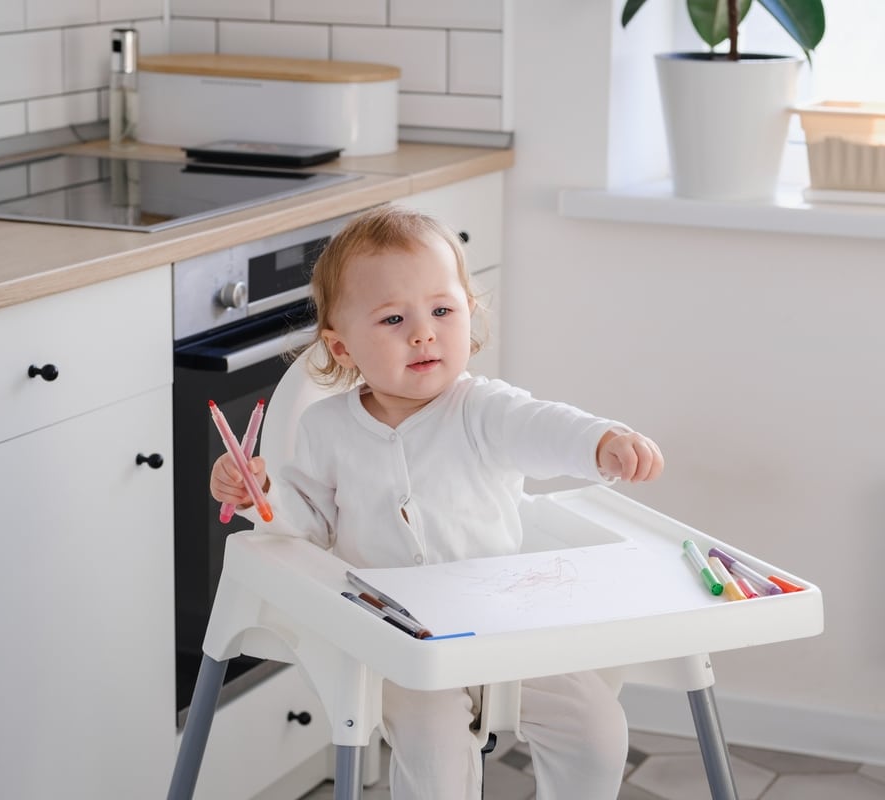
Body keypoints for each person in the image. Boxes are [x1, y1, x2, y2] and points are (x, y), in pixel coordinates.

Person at [210, 204, 664, 800]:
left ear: (469, 316)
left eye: (442, 311)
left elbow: (545, 426)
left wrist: (602, 442)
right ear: (342, 348)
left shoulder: (483, 409)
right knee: (437, 750)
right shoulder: (326, 429)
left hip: (503, 623)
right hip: (393, 636)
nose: (423, 332)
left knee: (598, 726)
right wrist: (260, 493)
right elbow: (309, 524)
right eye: (393, 318)